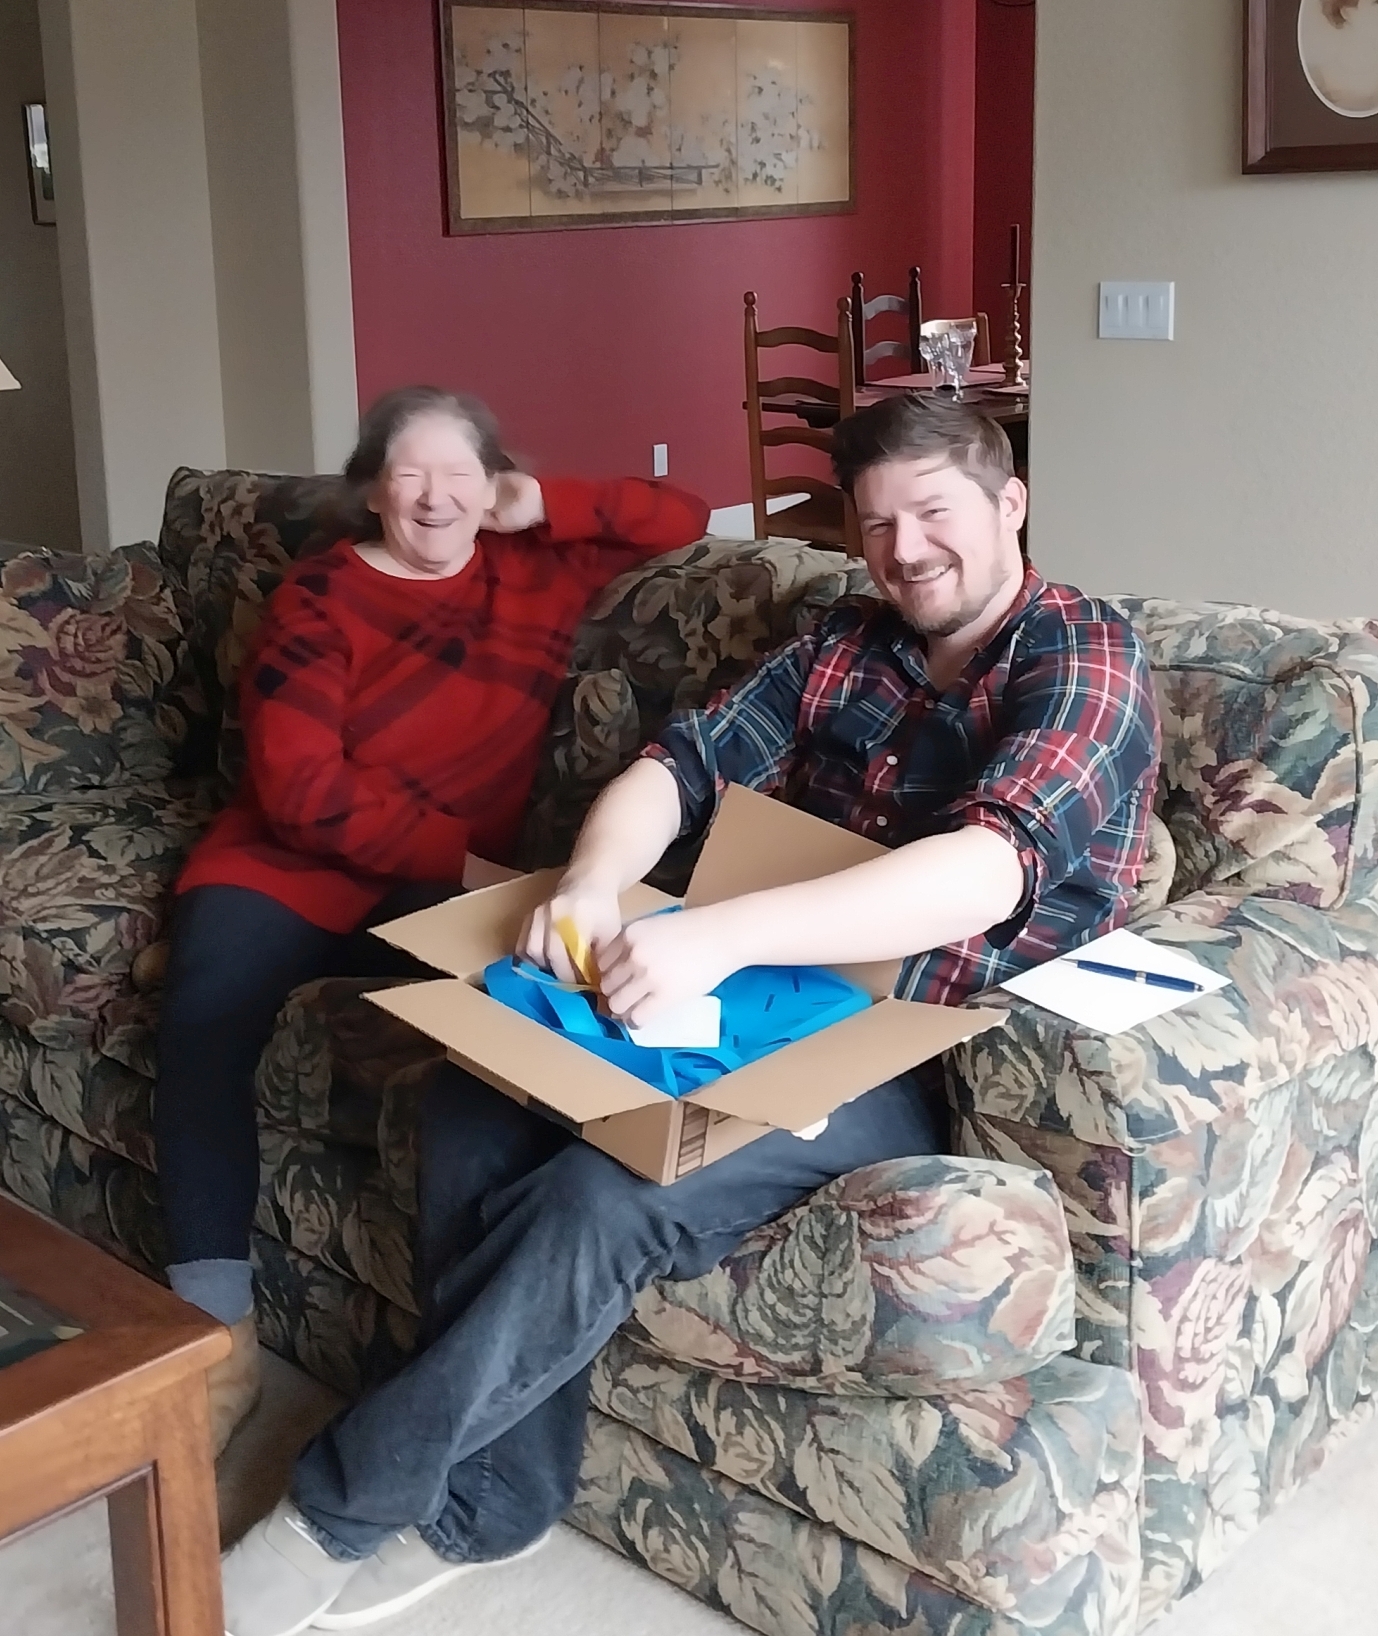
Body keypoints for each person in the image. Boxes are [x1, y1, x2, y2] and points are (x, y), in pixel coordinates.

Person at [219, 395, 1160, 1636]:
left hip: (905, 1049)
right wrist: (591, 883)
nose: (906, 549)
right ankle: (497, 1502)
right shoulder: (846, 640)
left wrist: (717, 937)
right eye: (877, 524)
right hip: (754, 994)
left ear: (1009, 505)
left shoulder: (1082, 656)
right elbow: (680, 765)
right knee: (471, 1095)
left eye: (935, 513)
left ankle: (334, 1514)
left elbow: (985, 870)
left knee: (604, 1194)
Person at [154, 385, 708, 1457]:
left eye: (462, 473)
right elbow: (300, 793)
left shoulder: (534, 569)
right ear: (373, 488)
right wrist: (464, 862)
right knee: (205, 1023)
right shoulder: (320, 596)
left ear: (494, 484)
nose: (435, 496)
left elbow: (677, 513)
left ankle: (457, 1365)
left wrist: (541, 499)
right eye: (409, 473)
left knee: (505, 1049)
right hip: (292, 866)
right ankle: (214, 1331)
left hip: (442, 889)